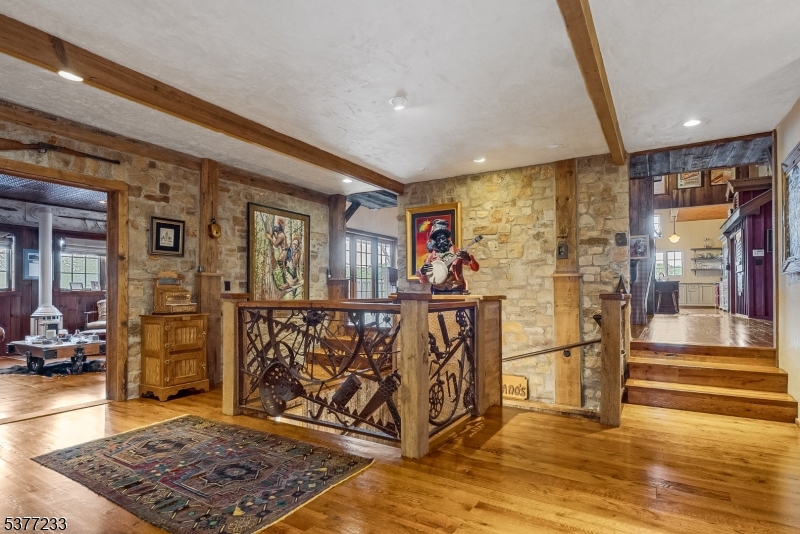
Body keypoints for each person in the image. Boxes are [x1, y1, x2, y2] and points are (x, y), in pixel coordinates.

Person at [417, 219, 479, 294]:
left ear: (447, 238)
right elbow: (424, 280)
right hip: (437, 290)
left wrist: (468, 258)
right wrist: (423, 271)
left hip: (455, 288)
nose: (441, 242)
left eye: (443, 238)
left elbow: (475, 268)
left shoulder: (457, 252)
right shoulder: (431, 256)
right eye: (438, 239)